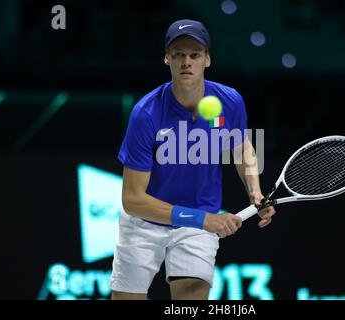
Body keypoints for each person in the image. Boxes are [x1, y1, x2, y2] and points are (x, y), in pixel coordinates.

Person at [110, 19, 275, 300]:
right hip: (145, 223)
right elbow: (133, 199)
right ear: (167, 58)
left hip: (197, 224)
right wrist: (205, 220)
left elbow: (242, 146)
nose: (186, 61)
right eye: (178, 54)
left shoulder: (229, 101)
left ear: (207, 59)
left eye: (195, 54)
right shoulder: (146, 113)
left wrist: (255, 192)